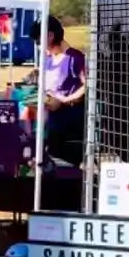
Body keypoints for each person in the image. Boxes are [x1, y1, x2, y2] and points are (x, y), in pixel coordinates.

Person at [30, 15, 87, 165]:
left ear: (50, 35)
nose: (38, 46)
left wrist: (65, 100)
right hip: (52, 126)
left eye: (38, 41)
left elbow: (87, 87)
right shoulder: (48, 60)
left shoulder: (75, 58)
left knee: (66, 168)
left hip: (70, 127)